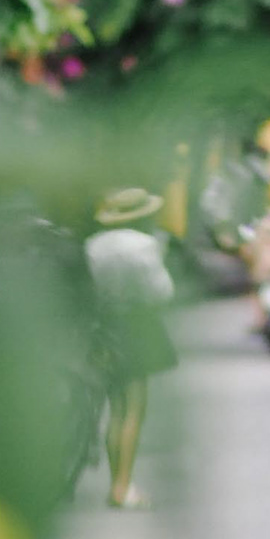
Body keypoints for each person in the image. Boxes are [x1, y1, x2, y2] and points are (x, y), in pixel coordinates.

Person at [83, 187, 177, 510]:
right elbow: (161, 291)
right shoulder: (145, 246)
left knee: (116, 409)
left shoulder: (93, 246)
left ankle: (117, 483)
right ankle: (122, 487)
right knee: (134, 409)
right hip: (138, 328)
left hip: (105, 327)